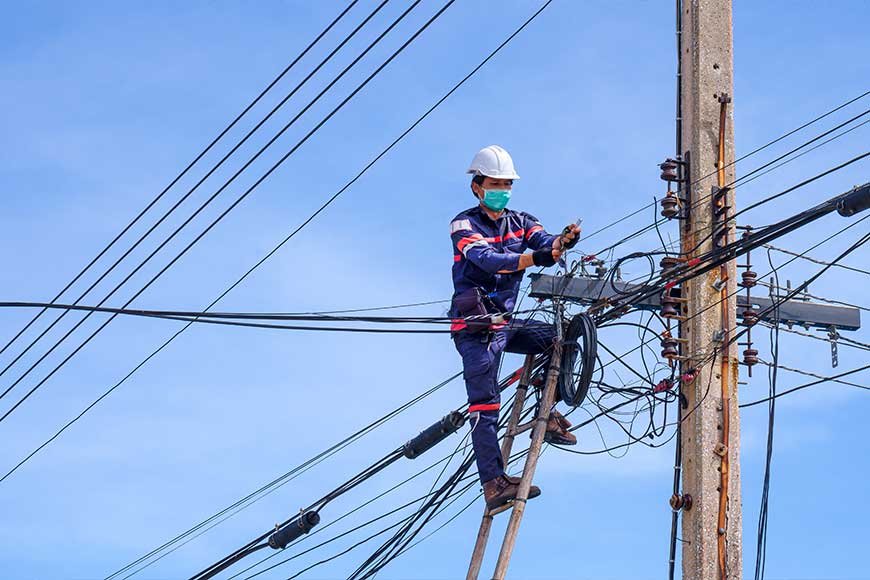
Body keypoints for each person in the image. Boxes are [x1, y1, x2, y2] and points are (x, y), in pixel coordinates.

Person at [449, 145, 581, 510]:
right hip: (475, 329)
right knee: (485, 405)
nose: (502, 190)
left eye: (507, 184)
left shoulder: (522, 220)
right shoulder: (463, 224)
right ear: (477, 186)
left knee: (559, 340)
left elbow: (544, 241)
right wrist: (539, 256)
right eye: (495, 183)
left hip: (504, 324)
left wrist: (561, 243)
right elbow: (488, 261)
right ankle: (494, 484)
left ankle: (547, 411)